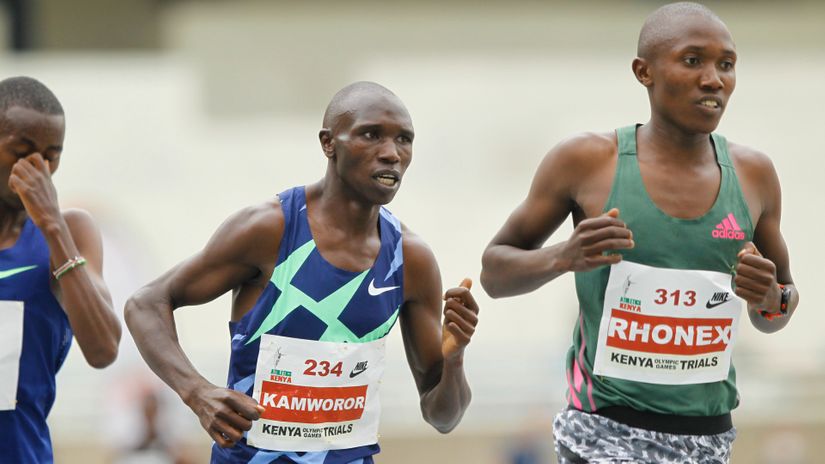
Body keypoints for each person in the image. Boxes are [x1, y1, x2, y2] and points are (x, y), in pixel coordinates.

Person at [480, 2, 798, 463]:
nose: (713, 79)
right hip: (602, 433)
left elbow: (783, 302)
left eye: (726, 65)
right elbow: (494, 272)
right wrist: (563, 256)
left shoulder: (754, 175)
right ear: (643, 71)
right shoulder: (587, 161)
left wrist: (769, 299)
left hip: (708, 439)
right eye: (693, 61)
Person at [125, 81, 479, 464]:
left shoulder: (411, 260)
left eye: (404, 140)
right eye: (371, 135)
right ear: (329, 143)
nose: (391, 153)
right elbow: (145, 303)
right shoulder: (269, 229)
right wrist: (196, 392)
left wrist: (456, 357)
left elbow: (442, 417)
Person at [0, 76, 121, 462]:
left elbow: (103, 348)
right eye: (22, 150)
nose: (39, 167)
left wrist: (52, 225)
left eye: (52, 155)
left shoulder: (70, 231)